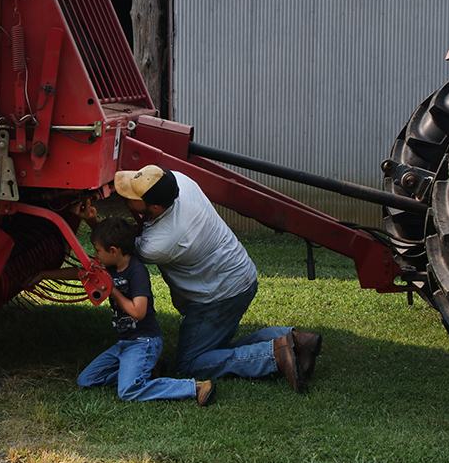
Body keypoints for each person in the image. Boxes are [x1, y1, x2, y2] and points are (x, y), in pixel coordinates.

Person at [77, 166, 322, 393]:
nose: (123, 197)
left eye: (130, 196)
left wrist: (92, 222)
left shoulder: (160, 242)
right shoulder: (180, 182)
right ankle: (293, 339)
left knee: (191, 364)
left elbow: (118, 252)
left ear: (154, 208)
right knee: (212, 349)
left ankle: (272, 355)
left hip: (219, 296)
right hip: (238, 273)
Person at [74, 216, 216, 406]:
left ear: (114, 250)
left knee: (128, 391)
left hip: (143, 341)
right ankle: (142, 370)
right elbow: (81, 272)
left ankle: (195, 387)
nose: (95, 255)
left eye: (98, 250)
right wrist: (41, 275)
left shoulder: (136, 271)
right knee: (86, 380)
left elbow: (138, 312)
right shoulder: (110, 266)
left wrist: (112, 290)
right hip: (125, 343)